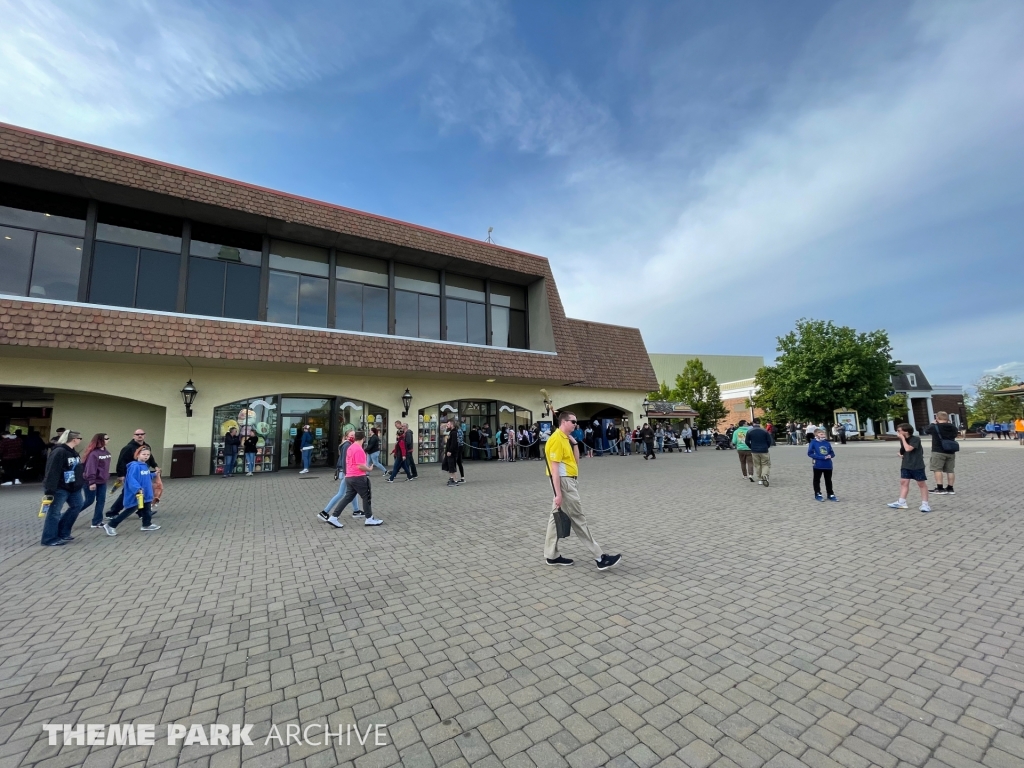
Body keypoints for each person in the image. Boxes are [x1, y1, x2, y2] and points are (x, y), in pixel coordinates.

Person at [544, 411, 621, 570]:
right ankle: (599, 557)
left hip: (569, 481)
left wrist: (575, 444)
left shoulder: (565, 439)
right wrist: (558, 493)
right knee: (578, 519)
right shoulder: (557, 439)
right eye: (573, 421)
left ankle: (551, 555)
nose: (575, 424)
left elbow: (575, 463)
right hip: (564, 484)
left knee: (555, 520)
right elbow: (554, 470)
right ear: (564, 422)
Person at [325, 431, 383, 527]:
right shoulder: (359, 449)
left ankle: (334, 517)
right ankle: (369, 518)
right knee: (366, 496)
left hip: (349, 476)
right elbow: (360, 466)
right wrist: (369, 469)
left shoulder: (350, 448)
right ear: (364, 439)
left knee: (348, 497)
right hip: (358, 477)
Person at [103, 445, 160, 535]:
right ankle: (111, 525)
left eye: (148, 455)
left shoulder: (145, 466)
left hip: (146, 493)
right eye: (143, 454)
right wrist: (137, 489)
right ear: (137, 455)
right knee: (130, 510)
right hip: (138, 494)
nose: (146, 456)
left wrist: (154, 474)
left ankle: (146, 524)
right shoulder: (134, 466)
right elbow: (131, 479)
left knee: (147, 509)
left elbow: (145, 476)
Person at [40, 431, 84, 546]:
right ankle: (49, 538)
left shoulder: (74, 453)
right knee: (54, 512)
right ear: (74, 439)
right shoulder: (59, 451)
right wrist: (50, 490)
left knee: (77, 505)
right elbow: (52, 471)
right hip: (60, 487)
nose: (80, 440)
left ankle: (63, 532)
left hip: (73, 487)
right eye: (80, 438)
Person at [106, 429, 160, 519]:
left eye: (142, 434)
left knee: (142, 493)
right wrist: (121, 475)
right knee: (127, 493)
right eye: (137, 434)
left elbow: (150, 458)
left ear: (144, 435)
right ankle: (113, 512)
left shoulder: (146, 446)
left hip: (143, 473)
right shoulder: (128, 448)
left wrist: (155, 466)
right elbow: (121, 461)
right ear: (133, 436)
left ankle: (142, 513)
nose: (140, 436)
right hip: (132, 475)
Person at [318, 433, 362, 524]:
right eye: (351, 434)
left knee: (353, 491)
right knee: (341, 494)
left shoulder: (347, 444)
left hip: (346, 472)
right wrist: (347, 473)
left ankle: (356, 511)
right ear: (346, 436)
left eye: (354, 434)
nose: (353, 436)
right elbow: (345, 460)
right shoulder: (347, 445)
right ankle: (324, 512)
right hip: (347, 472)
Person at [888, 424, 931, 513]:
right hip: (906, 465)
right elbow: (903, 450)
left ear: (906, 431)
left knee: (921, 484)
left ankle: (925, 504)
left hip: (916, 465)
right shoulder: (903, 440)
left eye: (899, 430)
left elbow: (908, 449)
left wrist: (903, 439)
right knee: (904, 482)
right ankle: (901, 502)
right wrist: (900, 454)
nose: (898, 433)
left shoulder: (915, 439)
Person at [80, 433, 112, 528]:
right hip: (92, 481)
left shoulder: (107, 453)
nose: (108, 440)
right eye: (106, 438)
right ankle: (67, 516)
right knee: (89, 501)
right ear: (100, 440)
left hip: (102, 481)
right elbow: (90, 468)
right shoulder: (93, 454)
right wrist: (91, 482)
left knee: (101, 501)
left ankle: (97, 521)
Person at [924, 411, 959, 495]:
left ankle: (940, 488)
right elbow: (954, 435)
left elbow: (926, 431)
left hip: (938, 450)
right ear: (947, 418)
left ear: (937, 418)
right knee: (950, 470)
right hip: (950, 450)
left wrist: (932, 424)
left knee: (937, 469)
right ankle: (950, 488)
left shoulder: (934, 427)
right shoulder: (953, 427)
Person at [807, 428, 838, 502]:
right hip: (818, 464)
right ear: (816, 435)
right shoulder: (813, 443)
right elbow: (810, 453)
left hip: (828, 465)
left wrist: (830, 456)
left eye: (823, 434)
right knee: (817, 480)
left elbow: (832, 453)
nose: (823, 435)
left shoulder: (827, 443)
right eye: (821, 434)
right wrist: (821, 457)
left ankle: (830, 494)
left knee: (828, 480)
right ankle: (818, 493)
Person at [744, 419, 772, 486]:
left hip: (754, 450)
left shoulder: (749, 431)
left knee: (757, 465)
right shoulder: (765, 431)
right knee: (765, 464)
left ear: (753, 423)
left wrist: (751, 447)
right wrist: (767, 446)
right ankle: (764, 475)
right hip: (764, 450)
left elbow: (746, 441)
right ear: (760, 423)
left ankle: (760, 479)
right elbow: (769, 441)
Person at [443, 419, 463, 487]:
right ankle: (452, 478)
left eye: (448, 424)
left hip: (452, 453)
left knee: (452, 466)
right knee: (450, 466)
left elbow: (454, 443)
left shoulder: (454, 433)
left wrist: (450, 451)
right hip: (450, 452)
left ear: (452, 425)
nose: (447, 425)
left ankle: (455, 480)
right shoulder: (451, 432)